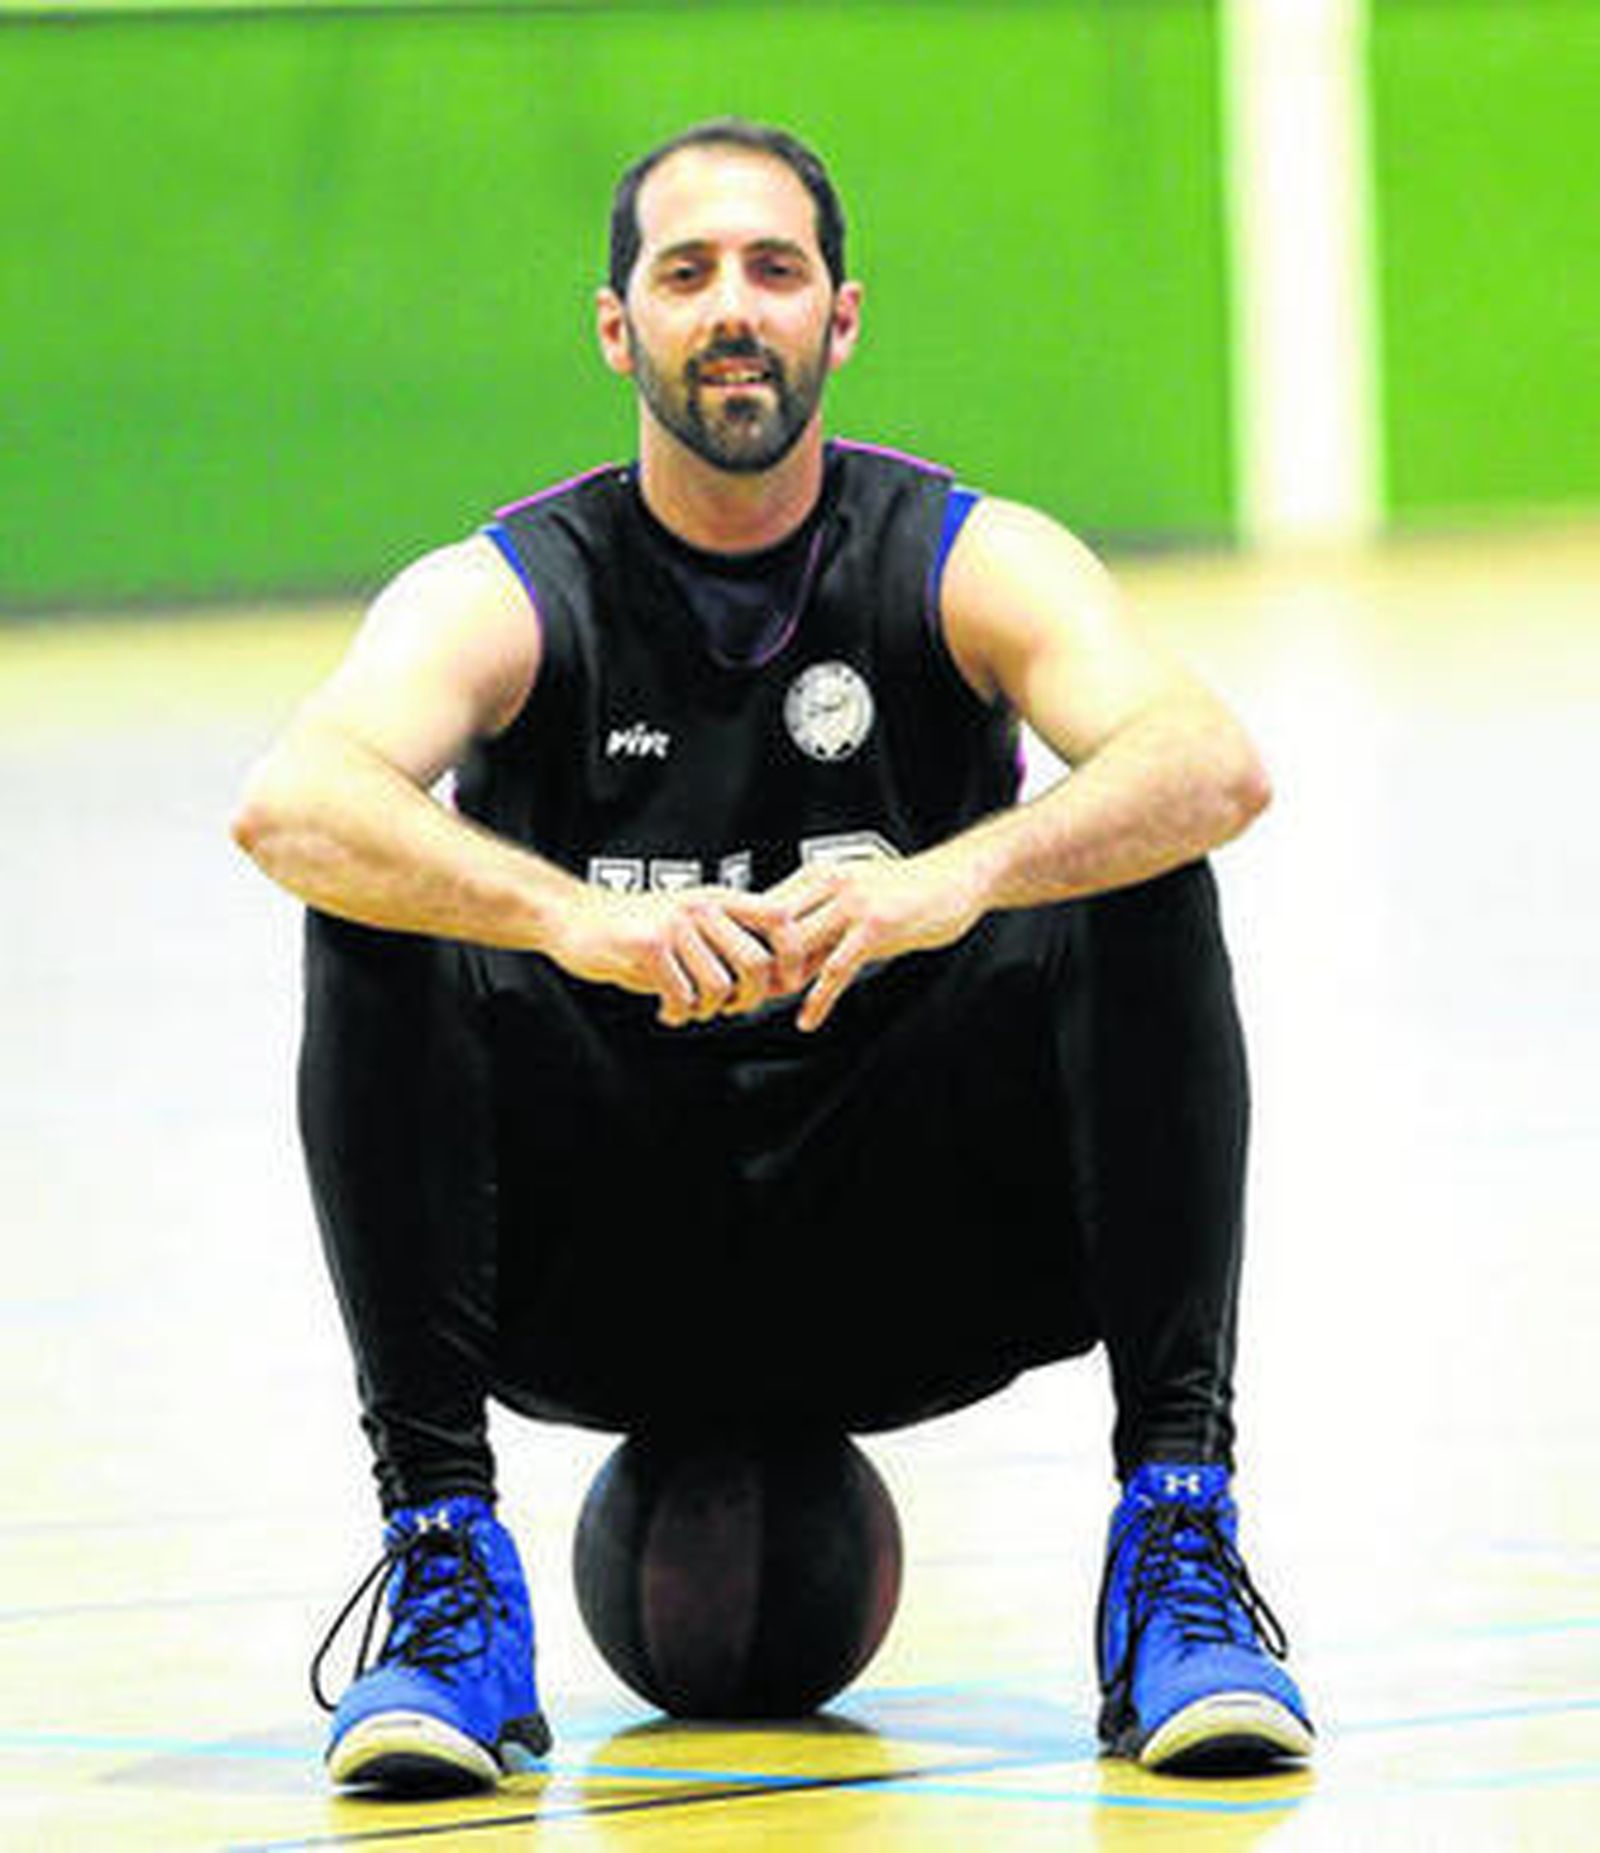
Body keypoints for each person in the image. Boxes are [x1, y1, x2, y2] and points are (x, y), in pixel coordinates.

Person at [233, 116, 1313, 1791]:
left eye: (773, 269)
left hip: (909, 1245)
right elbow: (292, 801)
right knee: (376, 897)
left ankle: (1179, 1539)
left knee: (1139, 861)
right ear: (619, 329)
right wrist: (576, 917)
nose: (733, 306)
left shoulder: (959, 557)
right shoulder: (517, 587)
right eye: (687, 273)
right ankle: (444, 1571)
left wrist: (950, 881)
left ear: (840, 316)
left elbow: (1212, 763)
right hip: (600, 1259)